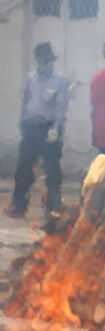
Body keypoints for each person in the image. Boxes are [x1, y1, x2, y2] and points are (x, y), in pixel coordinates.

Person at [7, 43, 70, 218]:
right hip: (30, 127)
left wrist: (56, 129)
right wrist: (22, 124)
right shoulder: (31, 79)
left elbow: (61, 107)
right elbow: (26, 102)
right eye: (40, 59)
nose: (44, 63)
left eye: (47, 59)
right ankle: (18, 206)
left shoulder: (60, 81)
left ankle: (52, 207)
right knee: (23, 168)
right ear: (36, 60)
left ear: (51, 59)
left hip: (49, 129)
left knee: (52, 170)